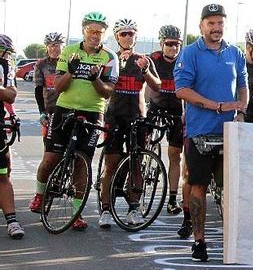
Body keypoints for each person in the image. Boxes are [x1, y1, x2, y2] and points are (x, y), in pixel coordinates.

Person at [174, 3, 248, 262]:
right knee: (198, 186)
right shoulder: (190, 53)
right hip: (200, 133)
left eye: (220, 23)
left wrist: (240, 111)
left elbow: (242, 86)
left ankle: (233, 241)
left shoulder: (235, 52)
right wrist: (216, 106)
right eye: (211, 23)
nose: (216, 28)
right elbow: (181, 90)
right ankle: (199, 241)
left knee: (230, 188)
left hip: (229, 133)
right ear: (201, 26)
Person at [48, 12, 120, 230]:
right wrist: (71, 72)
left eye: (99, 31)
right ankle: (40, 196)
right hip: (65, 109)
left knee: (82, 163)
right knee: (51, 158)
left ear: (104, 34)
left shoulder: (110, 57)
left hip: (91, 112)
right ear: (84, 31)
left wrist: (94, 78)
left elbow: (107, 93)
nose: (95, 35)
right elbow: (58, 87)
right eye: (91, 30)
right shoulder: (69, 52)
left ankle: (77, 213)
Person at [98, 18, 161, 228]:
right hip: (115, 116)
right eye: (123, 34)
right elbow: (102, 86)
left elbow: (157, 86)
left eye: (131, 33)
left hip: (137, 117)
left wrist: (145, 71)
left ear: (136, 36)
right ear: (117, 37)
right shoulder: (110, 59)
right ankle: (106, 209)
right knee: (111, 164)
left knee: (136, 165)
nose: (127, 37)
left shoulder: (143, 60)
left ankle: (134, 208)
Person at [148, 25, 187, 218]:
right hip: (155, 108)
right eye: (169, 44)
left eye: (177, 44)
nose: (173, 48)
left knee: (175, 155)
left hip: (176, 112)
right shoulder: (153, 59)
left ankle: (172, 198)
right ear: (162, 44)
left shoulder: (184, 61)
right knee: (143, 148)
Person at [28, 32, 65, 214]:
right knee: (49, 153)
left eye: (57, 45)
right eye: (51, 45)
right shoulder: (41, 65)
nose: (54, 48)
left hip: (68, 110)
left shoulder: (68, 62)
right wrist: (42, 112)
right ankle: (40, 194)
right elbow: (37, 90)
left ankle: (61, 180)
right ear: (46, 48)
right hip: (50, 112)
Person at [0, 34, 23, 239]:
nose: (5, 56)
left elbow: (10, 95)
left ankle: (12, 221)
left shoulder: (6, 67)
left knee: (2, 173)